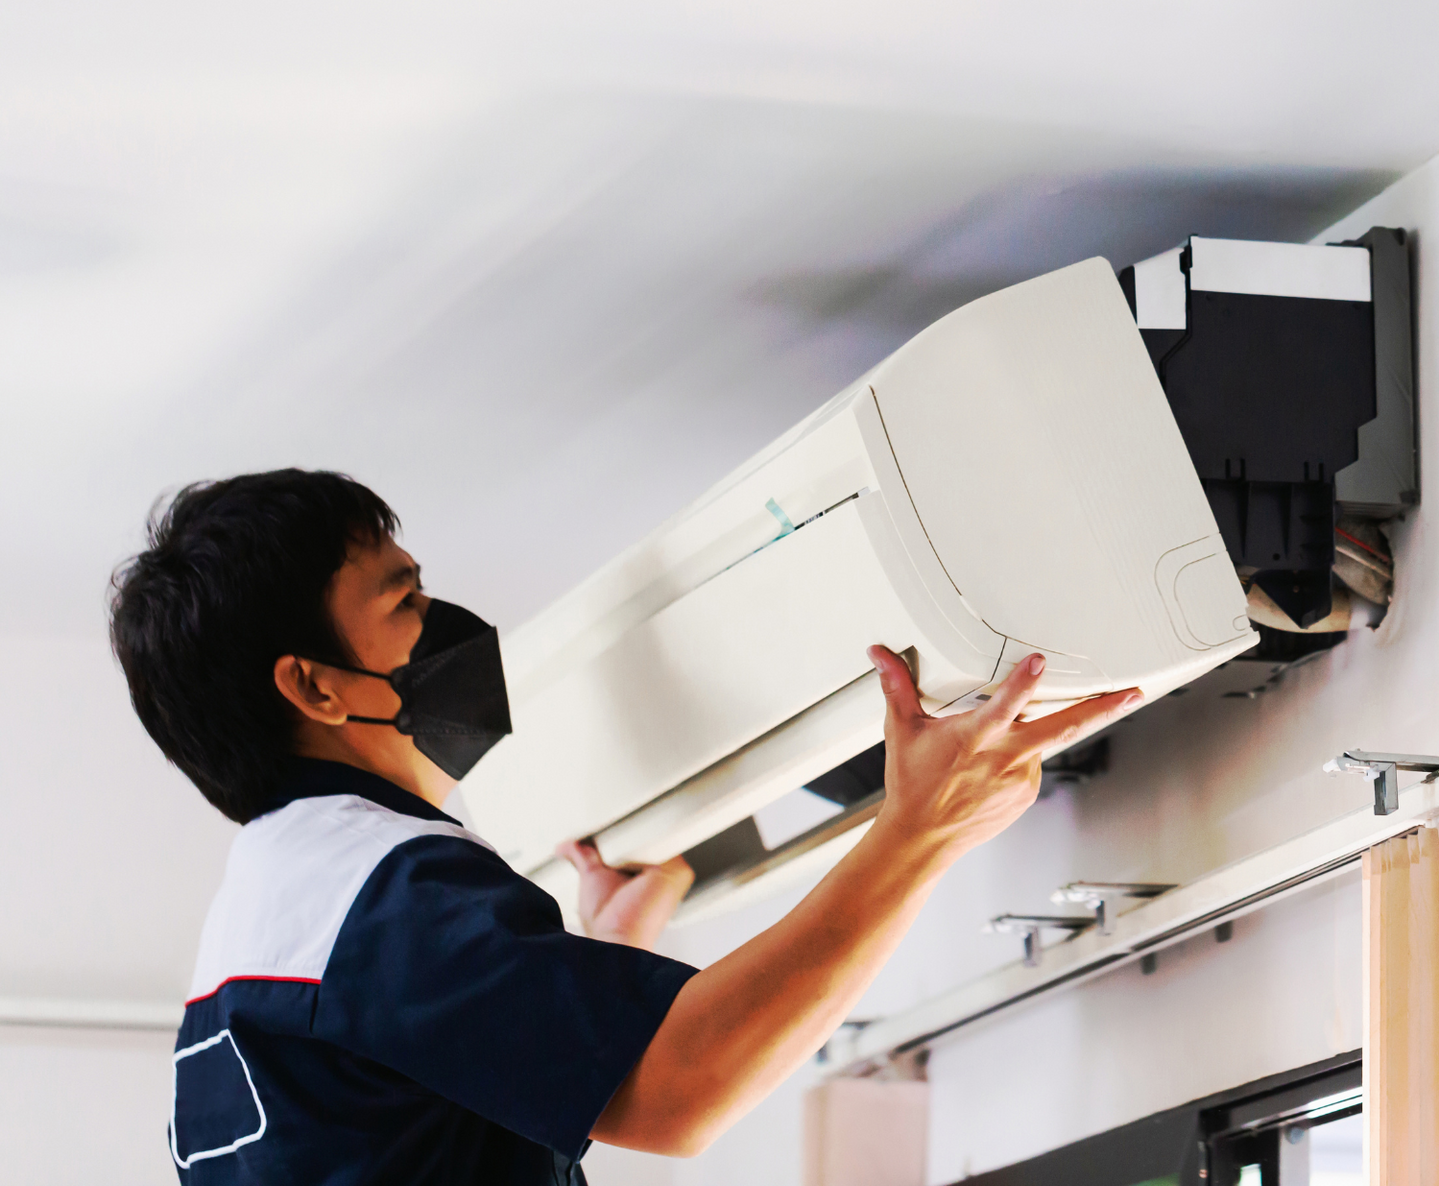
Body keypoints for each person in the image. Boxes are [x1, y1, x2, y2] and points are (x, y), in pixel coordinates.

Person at [110, 468, 1141, 1183]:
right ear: (317, 687)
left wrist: (599, 955)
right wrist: (916, 832)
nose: (446, 622)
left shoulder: (273, 911)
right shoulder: (382, 891)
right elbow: (681, 1091)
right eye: (406, 597)